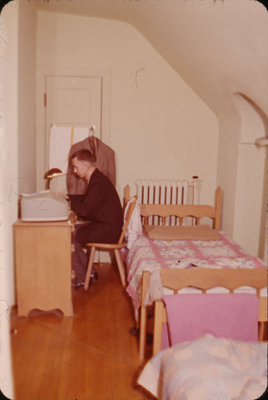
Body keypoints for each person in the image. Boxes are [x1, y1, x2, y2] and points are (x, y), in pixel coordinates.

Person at [59, 149, 123, 287]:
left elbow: (84, 210)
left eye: (76, 167)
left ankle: (82, 277)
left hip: (109, 231)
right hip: (107, 226)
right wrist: (68, 197)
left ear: (85, 166)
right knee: (72, 231)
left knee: (68, 235)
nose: (74, 171)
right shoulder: (97, 178)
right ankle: (90, 273)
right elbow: (88, 200)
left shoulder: (97, 183)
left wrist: (69, 203)